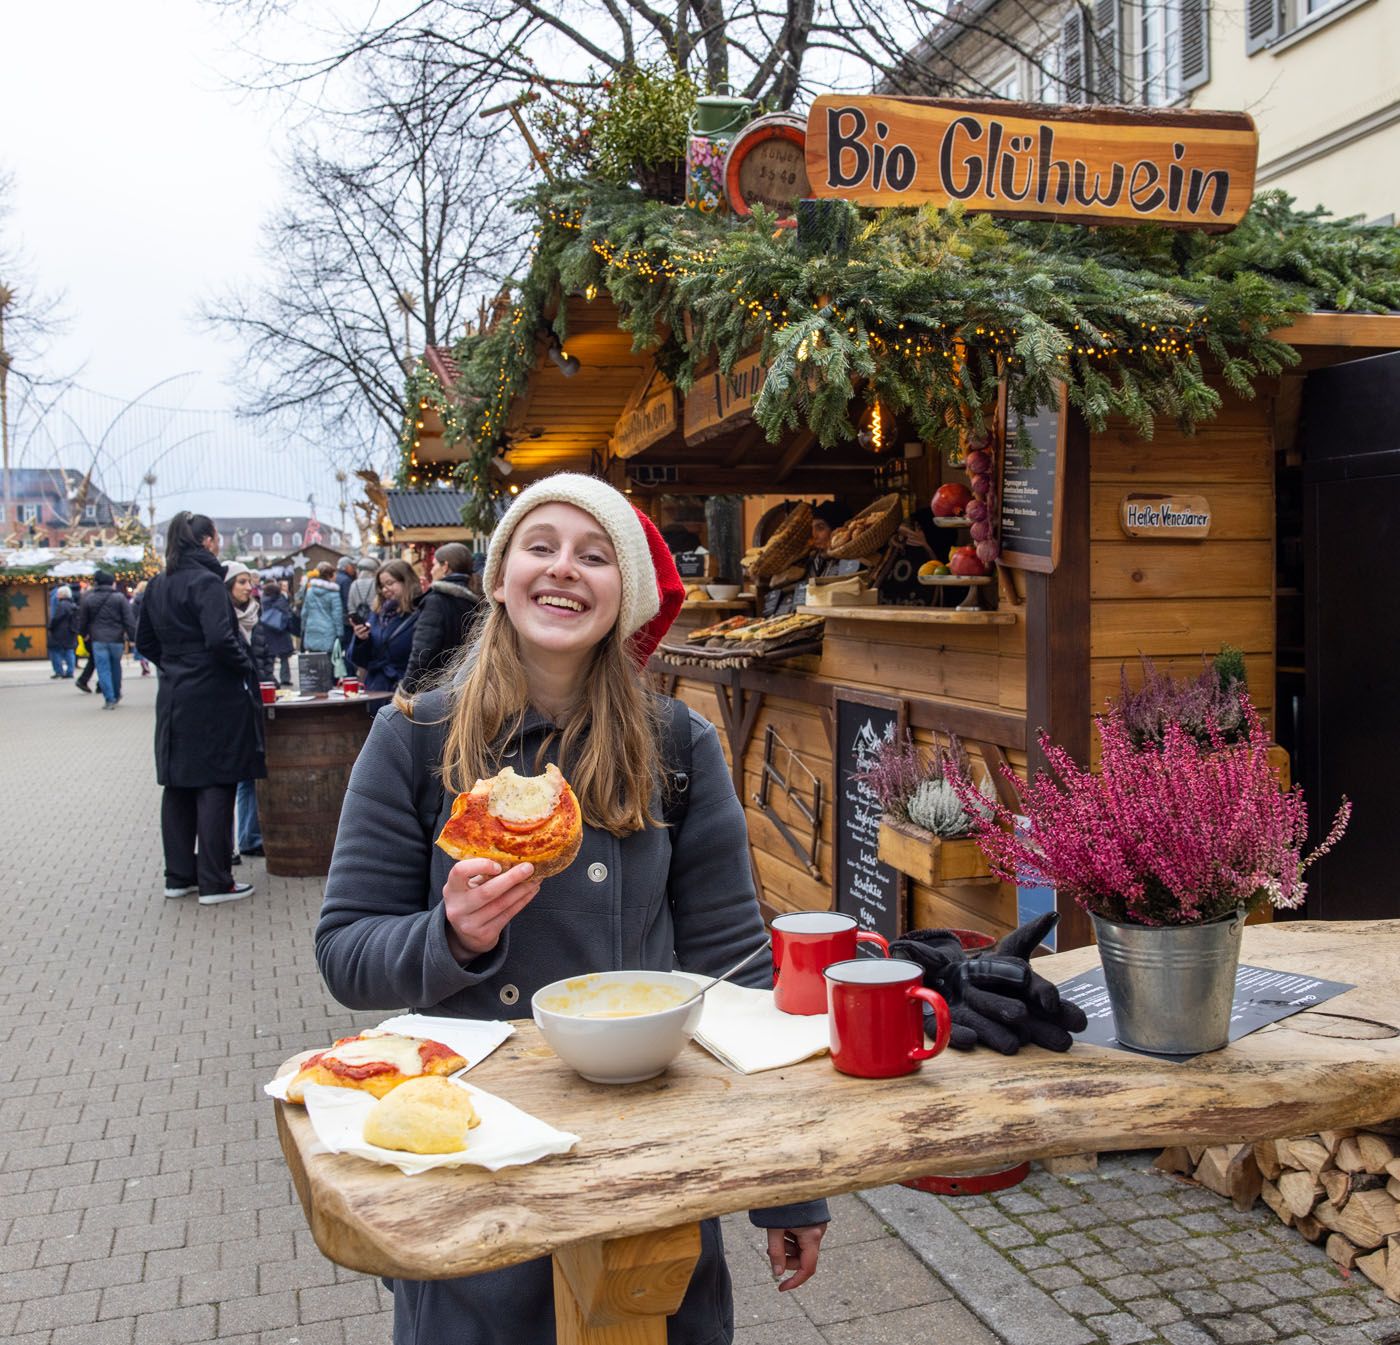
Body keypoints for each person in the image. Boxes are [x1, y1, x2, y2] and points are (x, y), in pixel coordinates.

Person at [316, 474, 829, 1345]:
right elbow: (345, 951)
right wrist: (451, 936)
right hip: (478, 1163)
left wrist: (786, 1184)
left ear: (622, 594)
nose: (565, 570)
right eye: (540, 545)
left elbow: (736, 971)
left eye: (595, 556)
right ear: (501, 575)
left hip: (650, 1159)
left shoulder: (677, 744)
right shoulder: (413, 737)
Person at [137, 512, 262, 905]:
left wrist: (174, 665)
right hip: (213, 696)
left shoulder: (158, 583)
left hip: (173, 694)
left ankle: (179, 876)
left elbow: (144, 641)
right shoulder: (207, 582)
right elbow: (220, 639)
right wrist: (245, 666)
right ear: (208, 541)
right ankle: (215, 880)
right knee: (216, 783)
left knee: (177, 784)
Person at [224, 561, 267, 859]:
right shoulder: (222, 618)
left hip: (253, 695)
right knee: (234, 774)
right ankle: (233, 843)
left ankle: (249, 836)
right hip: (232, 702)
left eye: (249, 581)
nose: (247, 587)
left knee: (248, 771)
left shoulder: (254, 614)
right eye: (241, 581)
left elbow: (260, 655)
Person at [401, 541, 481, 692]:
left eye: (434, 565)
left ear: (445, 566)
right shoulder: (476, 599)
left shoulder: (436, 601)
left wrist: (406, 690)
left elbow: (422, 652)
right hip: (465, 687)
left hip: (434, 690)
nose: (431, 571)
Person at [346, 559, 421, 692]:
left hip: (404, 690)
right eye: (381, 586)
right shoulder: (377, 613)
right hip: (376, 690)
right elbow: (360, 660)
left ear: (406, 582)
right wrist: (361, 639)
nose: (385, 590)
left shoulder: (419, 613)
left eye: (390, 583)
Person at [76, 569, 136, 710]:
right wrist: (133, 637)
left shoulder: (88, 598)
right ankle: (116, 694)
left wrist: (83, 634)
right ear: (112, 583)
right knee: (116, 667)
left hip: (98, 639)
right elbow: (129, 619)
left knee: (103, 669)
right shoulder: (120, 598)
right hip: (116, 639)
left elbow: (83, 620)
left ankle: (109, 699)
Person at [298, 561, 344, 656]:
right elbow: (337, 616)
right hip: (329, 631)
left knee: (314, 663)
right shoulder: (334, 593)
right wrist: (340, 634)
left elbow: (304, 613)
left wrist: (303, 628)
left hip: (312, 629)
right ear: (330, 575)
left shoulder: (310, 591)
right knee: (329, 663)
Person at [259, 580, 296, 686]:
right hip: (282, 631)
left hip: (268, 630)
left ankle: (269, 677)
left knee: (270, 656)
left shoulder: (264, 600)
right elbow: (287, 615)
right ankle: (285, 678)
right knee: (284, 657)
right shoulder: (281, 600)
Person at [46, 585, 79, 679]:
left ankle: (59, 671)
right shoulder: (73, 605)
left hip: (59, 632)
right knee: (69, 651)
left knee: (55, 651)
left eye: (58, 593)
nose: (57, 595)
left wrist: (50, 627)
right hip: (70, 631)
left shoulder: (61, 605)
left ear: (62, 595)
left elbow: (56, 618)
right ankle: (70, 671)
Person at [130, 580, 153, 676]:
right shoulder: (151, 598)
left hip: (138, 625)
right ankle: (146, 662)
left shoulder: (134, 601)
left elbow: (132, 615)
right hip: (150, 624)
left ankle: (143, 662)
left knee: (140, 646)